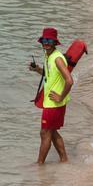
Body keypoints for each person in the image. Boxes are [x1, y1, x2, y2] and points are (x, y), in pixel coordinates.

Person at [27, 27, 74, 164]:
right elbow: (49, 75)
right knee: (51, 132)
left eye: (49, 40)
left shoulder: (57, 59)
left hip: (54, 103)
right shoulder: (48, 55)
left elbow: (69, 80)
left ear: (54, 42)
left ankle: (39, 165)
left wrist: (60, 97)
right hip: (52, 102)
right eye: (44, 40)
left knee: (45, 133)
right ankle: (64, 159)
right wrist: (37, 70)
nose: (46, 43)